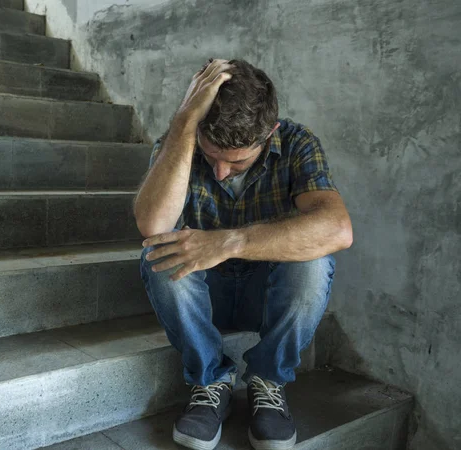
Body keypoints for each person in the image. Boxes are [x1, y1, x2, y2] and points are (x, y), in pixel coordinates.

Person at [134, 58, 353, 450]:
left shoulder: (297, 143)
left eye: (235, 160)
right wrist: (185, 121)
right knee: (158, 251)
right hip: (202, 299)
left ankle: (267, 380)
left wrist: (229, 242)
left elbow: (337, 227)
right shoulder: (179, 140)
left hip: (265, 296)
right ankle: (210, 380)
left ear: (269, 134)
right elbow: (152, 224)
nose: (219, 171)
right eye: (210, 153)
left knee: (315, 260)